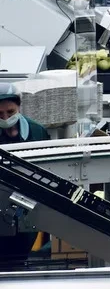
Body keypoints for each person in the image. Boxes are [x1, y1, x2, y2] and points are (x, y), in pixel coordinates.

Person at [0, 84, 50, 267]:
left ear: (19, 107)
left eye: (10, 112)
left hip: (28, 204)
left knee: (19, 255)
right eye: (0, 114)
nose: (5, 118)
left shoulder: (36, 132)